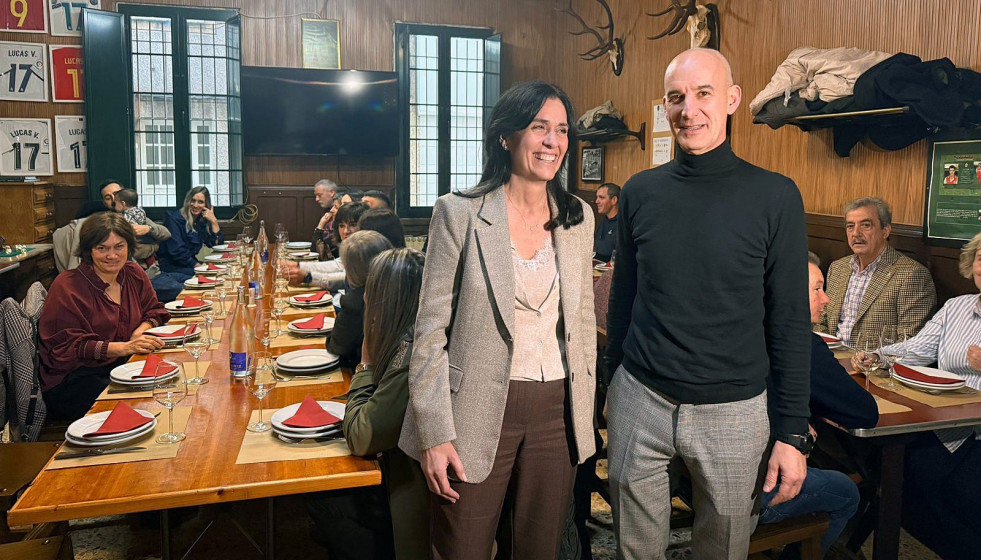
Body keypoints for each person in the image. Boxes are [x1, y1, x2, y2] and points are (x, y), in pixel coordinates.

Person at [605, 48, 811, 560]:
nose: (688, 109)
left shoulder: (775, 196)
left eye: (703, 94)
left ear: (732, 100)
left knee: (721, 550)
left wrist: (791, 433)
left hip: (735, 411)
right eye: (676, 97)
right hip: (641, 396)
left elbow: (789, 320)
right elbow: (624, 298)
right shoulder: (639, 191)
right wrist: (612, 386)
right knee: (634, 549)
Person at [399, 80, 597, 560]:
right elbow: (428, 332)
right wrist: (434, 431)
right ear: (506, 137)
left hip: (557, 409)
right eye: (539, 127)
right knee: (461, 547)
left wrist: (588, 406)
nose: (552, 141)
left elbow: (583, 319)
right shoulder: (459, 212)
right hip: (472, 410)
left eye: (562, 130)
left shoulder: (579, 218)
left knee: (538, 548)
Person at [755, 251, 878, 558]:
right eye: (817, 289)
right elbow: (864, 412)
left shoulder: (747, 330)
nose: (825, 299)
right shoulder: (800, 344)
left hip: (700, 479)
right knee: (846, 491)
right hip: (755, 493)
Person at [869, 232, 981, 560]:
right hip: (946, 423)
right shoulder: (957, 307)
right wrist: (877, 356)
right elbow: (916, 349)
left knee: (954, 490)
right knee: (896, 472)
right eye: (980, 257)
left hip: (976, 435)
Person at [39, 213, 169, 421]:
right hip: (74, 381)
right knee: (145, 406)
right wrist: (125, 347)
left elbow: (155, 310)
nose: (112, 255)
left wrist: (139, 331)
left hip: (119, 367)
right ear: (88, 250)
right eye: (102, 248)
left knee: (167, 387)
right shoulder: (68, 285)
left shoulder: (133, 273)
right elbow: (66, 348)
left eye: (119, 246)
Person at [343, 247, 429, 560]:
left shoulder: (410, 355)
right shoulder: (407, 335)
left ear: (387, 299)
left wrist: (365, 367)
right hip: (404, 479)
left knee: (330, 502)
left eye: (371, 290)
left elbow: (361, 436)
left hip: (412, 499)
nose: (364, 298)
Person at [815, 197, 936, 347]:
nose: (855, 233)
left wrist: (872, 359)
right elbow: (820, 320)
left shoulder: (912, 275)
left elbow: (911, 341)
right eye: (850, 226)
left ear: (885, 231)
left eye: (866, 225)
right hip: (831, 356)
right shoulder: (838, 268)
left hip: (873, 366)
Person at [328, 230, 393, 368]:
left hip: (366, 377)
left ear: (351, 270)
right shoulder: (400, 288)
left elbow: (336, 346)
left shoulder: (355, 302)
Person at [282, 201, 370, 288]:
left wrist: (308, 277)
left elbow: (345, 279)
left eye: (352, 225)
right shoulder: (350, 248)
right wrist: (298, 265)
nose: (346, 231)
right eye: (342, 226)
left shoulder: (368, 248)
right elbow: (336, 265)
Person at [157, 187, 225, 279]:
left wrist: (214, 221)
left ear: (206, 205)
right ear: (188, 201)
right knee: (210, 276)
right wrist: (198, 266)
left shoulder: (199, 221)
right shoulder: (174, 219)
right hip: (172, 267)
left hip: (188, 265)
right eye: (193, 201)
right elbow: (177, 252)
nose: (195, 205)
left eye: (200, 202)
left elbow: (215, 245)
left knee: (222, 271)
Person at [592, 182, 619, 262]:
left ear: (614, 200)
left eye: (601, 197)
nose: (597, 201)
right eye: (597, 197)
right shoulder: (604, 220)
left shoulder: (622, 224)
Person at [313, 179, 339, 258]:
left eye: (319, 195)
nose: (316, 199)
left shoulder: (340, 216)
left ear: (332, 193)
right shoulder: (326, 211)